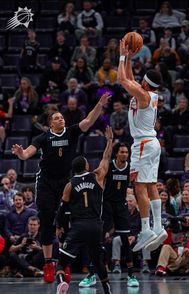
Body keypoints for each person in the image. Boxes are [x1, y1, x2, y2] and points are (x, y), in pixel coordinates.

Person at [11, 93, 110, 283]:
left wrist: (99, 104)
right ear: (50, 124)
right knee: (47, 222)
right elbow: (27, 154)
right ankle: (48, 263)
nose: (60, 119)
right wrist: (21, 153)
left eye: (62, 117)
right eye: (56, 118)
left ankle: (63, 265)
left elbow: (89, 120)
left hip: (66, 182)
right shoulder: (43, 138)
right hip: (47, 182)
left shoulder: (71, 132)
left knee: (67, 222)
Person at [118, 39, 167, 253]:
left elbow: (121, 79)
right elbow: (129, 77)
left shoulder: (143, 95)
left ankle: (146, 228)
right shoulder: (148, 93)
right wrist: (129, 57)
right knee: (151, 185)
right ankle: (158, 226)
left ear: (145, 83)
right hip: (152, 143)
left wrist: (120, 55)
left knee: (138, 186)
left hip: (143, 144)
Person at [55, 127, 113, 294]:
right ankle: (107, 290)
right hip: (96, 226)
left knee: (62, 262)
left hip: (79, 226)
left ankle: (60, 283)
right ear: (86, 166)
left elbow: (62, 209)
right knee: (98, 261)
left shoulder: (70, 184)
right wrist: (109, 140)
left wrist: (59, 226)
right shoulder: (97, 176)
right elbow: (106, 157)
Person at [102, 143, 139, 286]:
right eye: (122, 152)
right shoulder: (109, 166)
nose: (125, 154)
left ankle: (131, 275)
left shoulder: (130, 168)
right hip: (107, 204)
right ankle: (92, 273)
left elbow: (135, 187)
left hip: (121, 205)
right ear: (116, 154)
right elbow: (101, 181)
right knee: (99, 239)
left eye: (126, 152)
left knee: (125, 239)